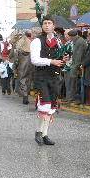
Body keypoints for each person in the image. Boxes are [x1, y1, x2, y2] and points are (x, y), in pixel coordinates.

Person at [30, 15, 67, 146]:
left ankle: (44, 134)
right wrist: (51, 61)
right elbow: (34, 60)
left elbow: (60, 58)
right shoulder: (37, 41)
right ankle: (39, 132)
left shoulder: (58, 41)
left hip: (55, 77)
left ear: (53, 25)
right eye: (44, 23)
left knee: (51, 106)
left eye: (49, 23)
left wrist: (64, 60)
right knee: (44, 105)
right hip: (42, 77)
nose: (46, 25)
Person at [65, 29, 87, 104]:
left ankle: (74, 98)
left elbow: (79, 56)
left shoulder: (79, 42)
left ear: (74, 36)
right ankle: (70, 98)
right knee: (73, 82)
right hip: (76, 65)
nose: (70, 39)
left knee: (75, 83)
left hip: (78, 66)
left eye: (71, 37)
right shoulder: (77, 41)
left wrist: (74, 67)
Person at [15, 30, 34, 104]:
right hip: (31, 62)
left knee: (23, 78)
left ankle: (25, 95)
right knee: (29, 79)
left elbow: (16, 50)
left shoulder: (21, 40)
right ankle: (26, 95)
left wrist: (16, 63)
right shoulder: (33, 41)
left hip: (23, 61)